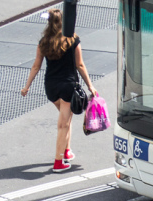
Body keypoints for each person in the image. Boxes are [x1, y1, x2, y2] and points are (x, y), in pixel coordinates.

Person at [20, 9, 97, 172]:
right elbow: (80, 65)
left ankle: (67, 151)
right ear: (64, 22)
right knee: (63, 124)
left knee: (66, 118)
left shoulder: (43, 42)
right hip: (68, 86)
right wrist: (90, 86)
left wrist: (27, 86)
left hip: (51, 87)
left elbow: (36, 65)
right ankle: (58, 162)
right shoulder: (73, 39)